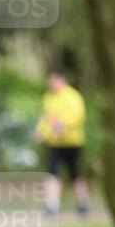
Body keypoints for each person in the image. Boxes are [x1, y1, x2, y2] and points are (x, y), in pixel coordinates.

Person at [35, 71, 90, 216]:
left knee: (75, 174)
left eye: (54, 82)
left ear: (62, 81)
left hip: (73, 142)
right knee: (52, 172)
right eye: (50, 82)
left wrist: (63, 125)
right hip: (55, 142)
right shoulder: (48, 97)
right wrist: (41, 132)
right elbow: (47, 118)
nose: (52, 85)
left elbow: (78, 116)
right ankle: (52, 205)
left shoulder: (73, 96)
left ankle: (82, 203)